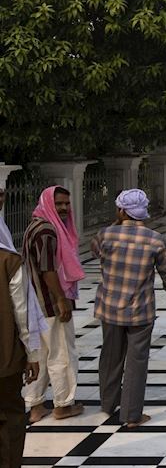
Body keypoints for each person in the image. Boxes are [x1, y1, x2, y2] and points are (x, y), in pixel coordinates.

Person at [91, 189, 166, 428]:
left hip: (110, 307)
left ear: (121, 210)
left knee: (110, 356)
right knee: (136, 361)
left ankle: (108, 403)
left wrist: (115, 224)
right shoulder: (154, 239)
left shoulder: (105, 235)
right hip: (140, 310)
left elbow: (95, 252)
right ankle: (131, 415)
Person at [23, 186, 85, 422]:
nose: (64, 208)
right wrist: (61, 299)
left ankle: (36, 405)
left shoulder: (35, 225)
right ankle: (63, 404)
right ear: (49, 203)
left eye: (66, 204)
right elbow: (48, 269)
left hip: (35, 304)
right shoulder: (47, 230)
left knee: (40, 354)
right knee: (62, 354)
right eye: (59, 204)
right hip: (49, 303)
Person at [0, 186, 41, 466]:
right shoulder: (9, 261)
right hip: (6, 359)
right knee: (11, 416)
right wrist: (33, 354)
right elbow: (22, 313)